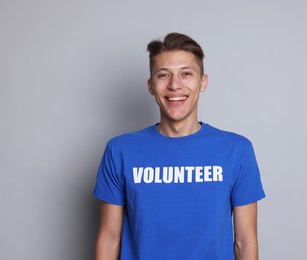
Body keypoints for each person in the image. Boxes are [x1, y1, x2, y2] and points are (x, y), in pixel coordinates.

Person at [93, 32, 265, 260]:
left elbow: (245, 242)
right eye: (164, 75)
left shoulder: (237, 150)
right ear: (151, 85)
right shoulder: (120, 151)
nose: (175, 85)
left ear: (203, 82)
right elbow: (109, 239)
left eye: (186, 74)